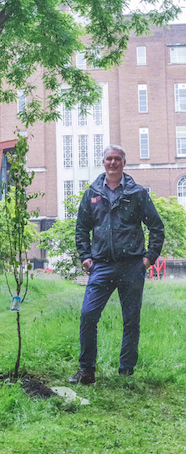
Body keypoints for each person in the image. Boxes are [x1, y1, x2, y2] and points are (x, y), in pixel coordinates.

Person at [69, 145, 164, 385]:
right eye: (109, 159)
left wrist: (148, 258)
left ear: (124, 162)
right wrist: (85, 256)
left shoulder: (137, 193)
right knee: (88, 315)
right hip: (101, 266)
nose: (113, 163)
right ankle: (86, 371)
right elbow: (81, 228)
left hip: (132, 265)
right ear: (103, 162)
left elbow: (156, 226)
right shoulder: (92, 192)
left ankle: (126, 371)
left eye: (117, 159)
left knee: (131, 319)